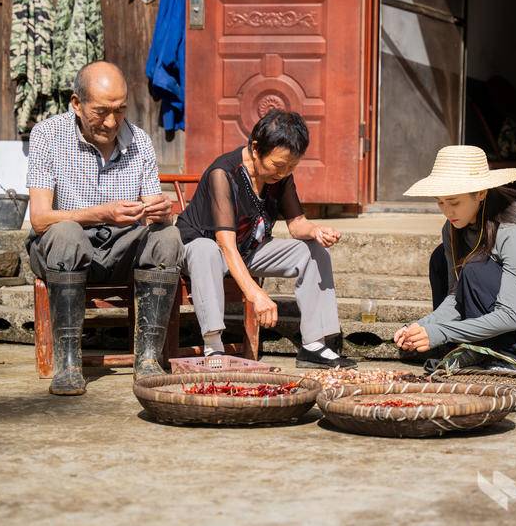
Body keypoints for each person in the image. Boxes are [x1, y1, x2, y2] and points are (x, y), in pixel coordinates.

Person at [26, 61, 184, 396]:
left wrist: (160, 210)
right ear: (76, 104)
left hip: (121, 252)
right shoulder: (47, 135)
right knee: (67, 233)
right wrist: (102, 213)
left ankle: (148, 359)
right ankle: (68, 363)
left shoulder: (139, 140)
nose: (112, 122)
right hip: (62, 252)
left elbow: (155, 211)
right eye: (101, 111)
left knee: (167, 237)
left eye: (120, 110)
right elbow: (40, 218)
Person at [176, 109, 356, 369]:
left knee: (313, 252)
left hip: (248, 248)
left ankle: (314, 345)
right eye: (279, 165)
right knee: (206, 250)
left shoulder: (280, 176)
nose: (283, 173)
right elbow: (225, 245)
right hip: (204, 249)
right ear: (256, 148)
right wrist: (255, 294)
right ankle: (213, 345)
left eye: (291, 167)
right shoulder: (223, 174)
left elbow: (297, 225)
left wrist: (316, 231)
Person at [394, 145, 516, 369]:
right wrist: (421, 326)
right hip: (508, 321)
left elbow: (509, 316)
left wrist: (442, 331)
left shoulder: (513, 230)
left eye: (454, 202)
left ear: (481, 193)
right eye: (440, 202)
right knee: (440, 258)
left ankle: (512, 356)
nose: (447, 212)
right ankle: (468, 348)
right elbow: (458, 296)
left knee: (475, 269)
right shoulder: (451, 230)